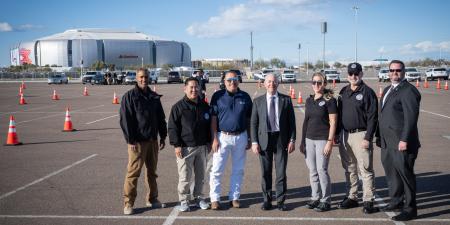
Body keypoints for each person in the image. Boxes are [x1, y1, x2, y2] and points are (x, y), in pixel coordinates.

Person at [376, 60, 421, 221]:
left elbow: (411, 118)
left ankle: (410, 209)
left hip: (402, 143)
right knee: (392, 174)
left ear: (404, 71)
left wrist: (404, 139)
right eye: (392, 70)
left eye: (398, 70)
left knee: (406, 176)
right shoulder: (389, 89)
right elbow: (383, 116)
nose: (394, 73)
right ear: (388, 72)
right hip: (388, 142)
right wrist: (379, 137)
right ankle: (396, 201)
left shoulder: (409, 91)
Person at [120, 68, 167, 215]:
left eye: (146, 77)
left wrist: (163, 136)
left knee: (152, 173)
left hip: (153, 140)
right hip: (137, 143)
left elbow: (160, 118)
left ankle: (152, 199)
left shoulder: (153, 96)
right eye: (141, 77)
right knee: (133, 173)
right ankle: (128, 203)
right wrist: (131, 139)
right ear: (136, 78)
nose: (143, 79)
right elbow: (125, 120)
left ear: (149, 78)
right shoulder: (130, 97)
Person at [336, 62, 379, 214]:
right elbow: (339, 115)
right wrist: (336, 135)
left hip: (362, 135)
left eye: (356, 73)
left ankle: (368, 200)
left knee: (365, 169)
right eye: (351, 74)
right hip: (345, 135)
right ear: (347, 75)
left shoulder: (367, 92)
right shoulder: (343, 91)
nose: (353, 76)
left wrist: (368, 137)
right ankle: (352, 197)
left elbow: (373, 117)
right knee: (349, 168)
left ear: (361, 74)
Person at [250, 74, 296, 211]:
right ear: (264, 84)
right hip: (264, 140)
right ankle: (267, 201)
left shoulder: (286, 100)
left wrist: (292, 139)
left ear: (278, 83)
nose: (272, 84)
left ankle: (281, 201)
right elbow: (253, 123)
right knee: (266, 172)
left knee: (281, 173)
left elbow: (292, 123)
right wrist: (254, 142)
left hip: (281, 140)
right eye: (269, 82)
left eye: (274, 81)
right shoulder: (258, 101)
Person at [209, 70, 253, 210]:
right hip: (222, 137)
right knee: (217, 169)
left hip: (241, 137)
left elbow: (248, 119)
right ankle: (215, 199)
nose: (232, 82)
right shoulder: (217, 96)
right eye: (229, 80)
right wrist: (214, 138)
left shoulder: (245, 97)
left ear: (238, 80)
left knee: (238, 170)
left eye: (235, 79)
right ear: (224, 81)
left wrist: (249, 138)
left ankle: (234, 197)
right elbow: (214, 118)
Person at [168, 77, 212, 212]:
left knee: (201, 176)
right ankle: (184, 200)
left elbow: (209, 125)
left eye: (196, 87)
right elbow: (172, 127)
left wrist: (209, 141)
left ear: (199, 88)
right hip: (186, 148)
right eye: (191, 87)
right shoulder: (178, 107)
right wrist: (176, 145)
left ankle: (199, 197)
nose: (194, 90)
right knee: (185, 177)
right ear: (185, 89)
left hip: (202, 147)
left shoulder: (204, 106)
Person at [299, 72, 337, 212]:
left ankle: (325, 200)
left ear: (324, 84)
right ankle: (315, 197)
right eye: (314, 82)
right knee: (312, 171)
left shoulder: (329, 99)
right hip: (309, 139)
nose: (316, 85)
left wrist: (329, 141)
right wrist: (302, 141)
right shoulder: (309, 100)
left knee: (322, 170)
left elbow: (333, 122)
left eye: (319, 82)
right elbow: (306, 122)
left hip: (322, 139)